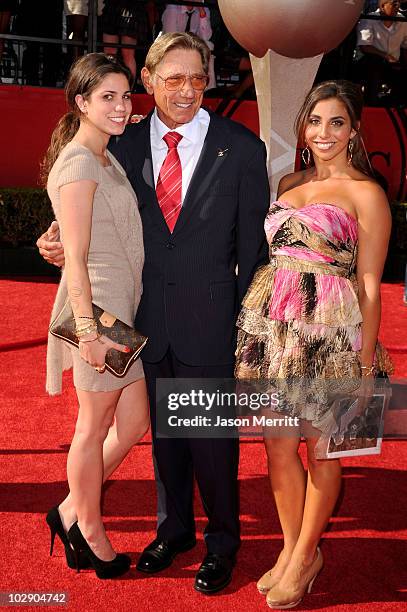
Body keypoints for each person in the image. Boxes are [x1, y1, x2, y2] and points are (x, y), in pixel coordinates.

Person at [37, 32, 270, 594]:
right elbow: (88, 216)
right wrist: (56, 240)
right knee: (164, 437)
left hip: (211, 320)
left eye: (198, 77)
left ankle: (222, 542)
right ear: (149, 81)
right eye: (173, 78)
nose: (187, 90)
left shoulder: (240, 148)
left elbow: (254, 252)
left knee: (211, 442)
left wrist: (245, 328)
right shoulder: (122, 145)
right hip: (139, 320)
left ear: (208, 79)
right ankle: (174, 531)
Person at [235, 80, 393, 608]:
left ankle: (305, 556)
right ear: (303, 128)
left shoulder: (367, 192)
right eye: (315, 122)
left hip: (332, 335)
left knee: (324, 448)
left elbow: (370, 283)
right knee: (278, 445)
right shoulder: (288, 180)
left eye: (336, 122)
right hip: (276, 328)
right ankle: (289, 548)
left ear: (353, 131)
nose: (324, 132)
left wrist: (365, 363)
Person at [43, 53, 149, 579]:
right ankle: (89, 530)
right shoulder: (80, 162)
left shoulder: (106, 158)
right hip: (98, 313)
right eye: (107, 97)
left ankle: (68, 510)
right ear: (81, 102)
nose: (121, 106)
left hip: (119, 313)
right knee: (93, 428)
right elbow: (78, 258)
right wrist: (86, 330)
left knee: (134, 421)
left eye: (125, 96)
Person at [356, 0, 407, 105]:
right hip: (373, 63)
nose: (398, 6)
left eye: (398, 3)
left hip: (395, 64)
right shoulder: (369, 19)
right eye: (394, 3)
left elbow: (405, 45)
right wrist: (386, 57)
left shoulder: (402, 21)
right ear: (383, 6)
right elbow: (365, 46)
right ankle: (371, 105)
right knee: (374, 69)